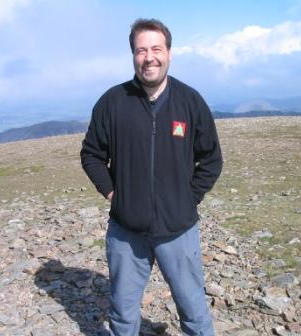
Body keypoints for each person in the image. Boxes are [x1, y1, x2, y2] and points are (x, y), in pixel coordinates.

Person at [80, 18, 222, 336]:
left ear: (169, 52)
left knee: (195, 312)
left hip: (178, 231)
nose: (149, 57)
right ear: (133, 55)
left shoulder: (190, 102)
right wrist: (113, 195)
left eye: (156, 48)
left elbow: (212, 159)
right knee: (122, 314)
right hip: (127, 233)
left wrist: (187, 198)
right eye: (141, 50)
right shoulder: (112, 103)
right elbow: (91, 154)